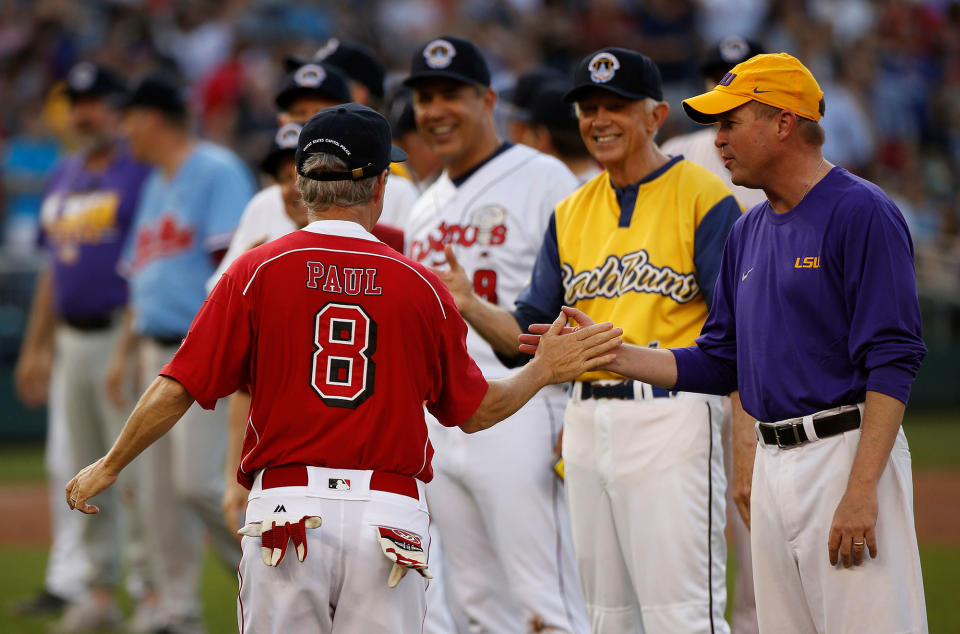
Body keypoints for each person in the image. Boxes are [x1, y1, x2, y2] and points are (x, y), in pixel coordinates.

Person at [63, 103, 623, 634]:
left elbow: (176, 386)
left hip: (287, 510)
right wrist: (543, 370)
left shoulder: (254, 271)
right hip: (388, 518)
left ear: (303, 184)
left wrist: (111, 464)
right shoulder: (422, 285)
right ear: (379, 186)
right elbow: (476, 413)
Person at [529, 52, 929, 634]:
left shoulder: (861, 210)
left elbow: (894, 357)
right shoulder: (749, 229)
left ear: (784, 123)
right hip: (774, 464)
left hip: (843, 449)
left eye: (730, 122)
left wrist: (862, 489)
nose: (716, 140)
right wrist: (614, 355)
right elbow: (719, 359)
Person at [432, 47, 743, 633]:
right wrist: (471, 306)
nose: (599, 119)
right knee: (603, 618)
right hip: (585, 424)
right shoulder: (571, 211)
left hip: (672, 417)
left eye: (616, 107)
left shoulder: (705, 196)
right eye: (588, 107)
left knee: (682, 615)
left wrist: (744, 445)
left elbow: (736, 338)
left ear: (655, 117)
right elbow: (526, 336)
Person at [404, 36, 589, 633]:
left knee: (546, 601)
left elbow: (583, 300)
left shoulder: (544, 177)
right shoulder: (424, 204)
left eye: (450, 94)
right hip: (443, 413)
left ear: (488, 99)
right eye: (424, 97)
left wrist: (572, 410)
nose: (434, 110)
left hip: (526, 403)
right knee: (476, 605)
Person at [106, 72, 254, 634]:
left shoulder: (216, 171)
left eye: (129, 117)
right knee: (159, 496)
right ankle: (176, 611)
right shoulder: (154, 183)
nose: (125, 129)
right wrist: (125, 352)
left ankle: (268, 580)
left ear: (151, 118)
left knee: (197, 485)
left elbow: (232, 271)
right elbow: (142, 276)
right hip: (153, 347)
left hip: (199, 356)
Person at [14, 61, 152, 633]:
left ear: (118, 110)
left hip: (120, 333)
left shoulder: (138, 173)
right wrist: (35, 346)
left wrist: (129, 345)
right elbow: (53, 271)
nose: (83, 112)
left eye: (95, 101)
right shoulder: (64, 174)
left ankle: (151, 595)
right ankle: (98, 590)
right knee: (84, 463)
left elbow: (147, 262)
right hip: (71, 337)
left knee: (136, 472)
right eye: (76, 102)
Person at [659, 35, 766, 634]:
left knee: (753, 519)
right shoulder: (680, 151)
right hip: (698, 357)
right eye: (717, 75)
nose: (726, 81)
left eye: (737, 74)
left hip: (749, 358)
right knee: (703, 528)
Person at [510, 79, 601, 184]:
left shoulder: (542, 193)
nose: (523, 136)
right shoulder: (611, 186)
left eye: (527, 130)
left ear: (542, 137)